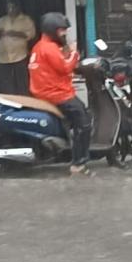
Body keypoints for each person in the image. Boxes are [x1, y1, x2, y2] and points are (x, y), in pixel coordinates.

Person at [29, 12, 92, 176]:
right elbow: (64, 67)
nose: (64, 33)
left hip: (45, 93)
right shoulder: (49, 48)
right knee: (84, 122)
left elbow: (56, 65)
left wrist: (66, 52)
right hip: (58, 95)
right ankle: (78, 164)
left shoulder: (39, 47)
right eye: (62, 30)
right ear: (52, 30)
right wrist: (74, 53)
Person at [0, 3, 35, 95]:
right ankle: (9, 101)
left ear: (18, 7)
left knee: (22, 81)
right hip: (4, 56)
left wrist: (14, 33)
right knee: (6, 82)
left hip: (20, 55)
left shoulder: (26, 20)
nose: (11, 10)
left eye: (13, 7)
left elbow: (31, 35)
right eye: (9, 8)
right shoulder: (2, 20)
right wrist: (0, 33)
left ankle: (24, 101)